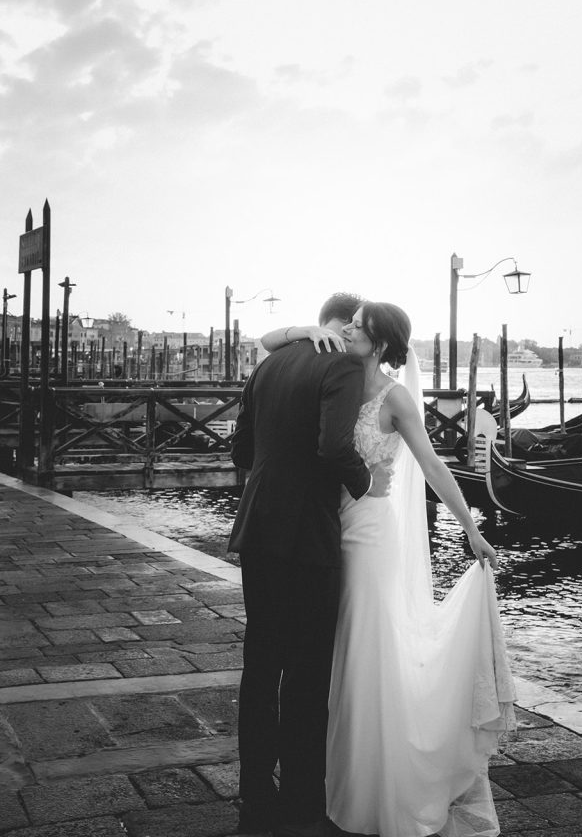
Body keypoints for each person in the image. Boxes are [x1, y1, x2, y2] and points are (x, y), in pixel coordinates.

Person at [265, 301, 516, 837]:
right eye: (349, 320)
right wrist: (302, 329)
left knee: (363, 647)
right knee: (327, 656)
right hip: (323, 531)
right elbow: (270, 344)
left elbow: (431, 463)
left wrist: (471, 529)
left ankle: (374, 786)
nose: (348, 328)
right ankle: (327, 779)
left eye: (359, 325)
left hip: (371, 537)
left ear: (379, 343)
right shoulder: (329, 371)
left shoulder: (395, 397)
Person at [228, 292, 393, 837]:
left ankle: (255, 789)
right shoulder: (341, 362)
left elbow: (241, 450)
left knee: (261, 662)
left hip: (257, 524)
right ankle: (302, 796)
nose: (354, 336)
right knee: (307, 670)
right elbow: (332, 446)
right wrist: (367, 484)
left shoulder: (271, 362)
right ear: (347, 324)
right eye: (356, 326)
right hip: (308, 535)